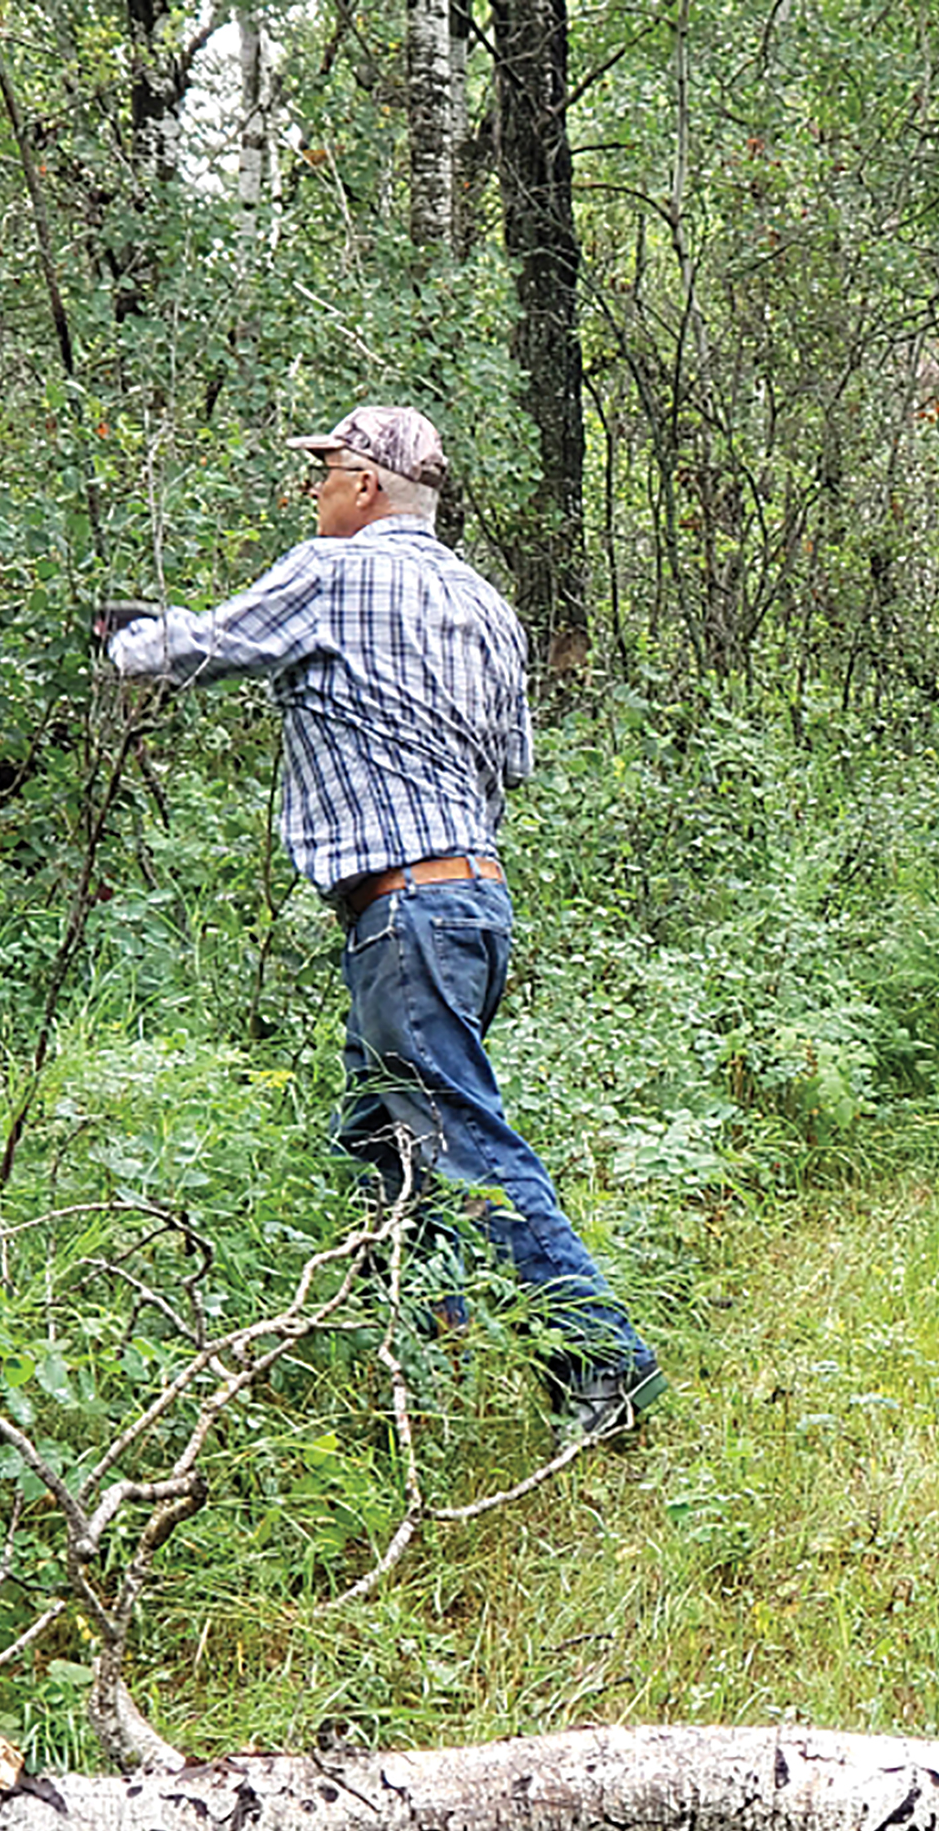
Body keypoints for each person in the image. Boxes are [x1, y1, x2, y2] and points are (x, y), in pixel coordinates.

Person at [103, 405, 663, 1440]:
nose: (314, 491)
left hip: (403, 914)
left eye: (323, 473)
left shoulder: (331, 570)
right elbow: (513, 765)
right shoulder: (488, 603)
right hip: (472, 903)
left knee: (458, 1139)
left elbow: (205, 648)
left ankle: (605, 1359)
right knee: (384, 1140)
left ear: (365, 483)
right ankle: (422, 1379)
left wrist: (125, 637)